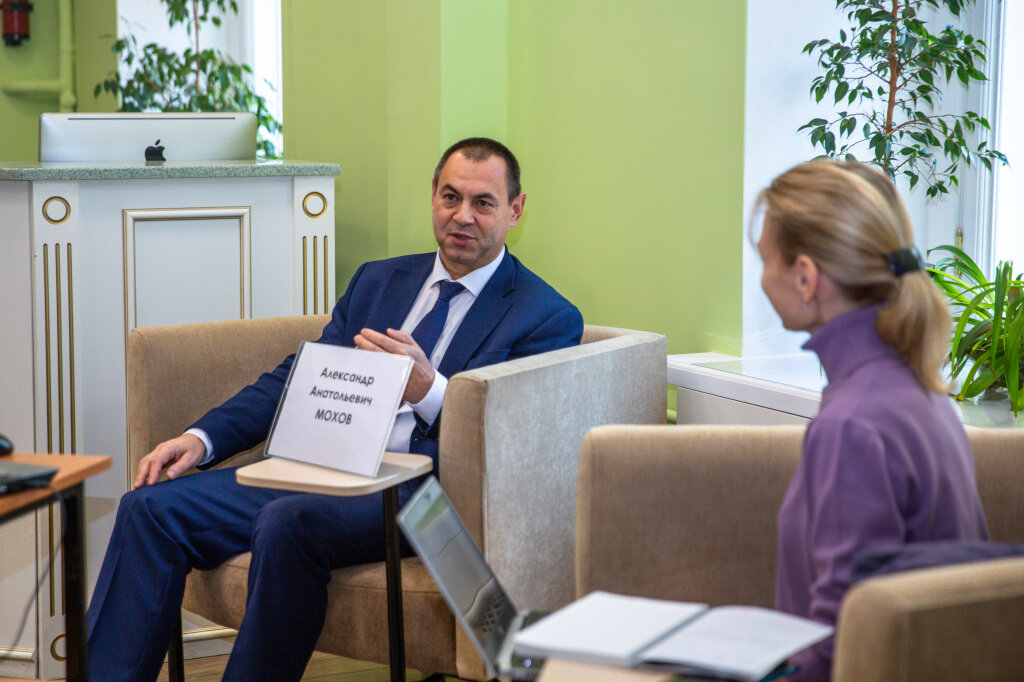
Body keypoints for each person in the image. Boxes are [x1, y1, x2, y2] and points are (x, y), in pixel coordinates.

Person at [87, 137, 584, 682]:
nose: (462, 216)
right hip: (328, 464)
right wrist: (202, 439)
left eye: (483, 203)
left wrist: (430, 390)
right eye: (450, 197)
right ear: (433, 197)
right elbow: (299, 378)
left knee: (287, 522)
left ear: (515, 210)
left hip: (427, 493)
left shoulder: (544, 316)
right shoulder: (379, 280)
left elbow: (515, 441)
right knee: (148, 509)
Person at [754, 160, 989, 681]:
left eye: (765, 259)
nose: (763, 277)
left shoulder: (851, 425)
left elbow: (840, 644)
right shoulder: (919, 391)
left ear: (805, 277)